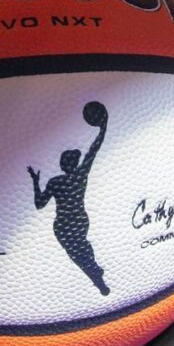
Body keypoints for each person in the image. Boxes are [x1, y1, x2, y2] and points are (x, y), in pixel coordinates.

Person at [28, 101, 110, 295]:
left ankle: (96, 277)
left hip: (64, 224)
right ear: (72, 163)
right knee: (81, 250)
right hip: (78, 221)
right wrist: (103, 129)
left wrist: (35, 182)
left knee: (77, 253)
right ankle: (96, 276)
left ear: (63, 164)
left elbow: (39, 204)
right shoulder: (80, 175)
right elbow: (93, 150)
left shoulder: (55, 182)